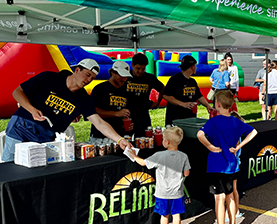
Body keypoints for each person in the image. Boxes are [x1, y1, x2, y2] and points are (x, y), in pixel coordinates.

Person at [2, 59, 132, 162]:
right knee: (11, 168)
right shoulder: (48, 78)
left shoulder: (84, 99)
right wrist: (32, 110)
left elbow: (99, 122)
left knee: (36, 172)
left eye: (92, 78)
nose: (88, 80)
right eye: (87, 75)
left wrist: (119, 140)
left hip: (46, 138)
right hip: (21, 129)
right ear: (76, 70)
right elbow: (17, 92)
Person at [197, 90, 257, 224]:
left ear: (217, 104)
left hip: (216, 165)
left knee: (219, 199)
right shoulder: (236, 121)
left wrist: (210, 147)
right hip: (230, 165)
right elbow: (254, 132)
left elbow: (199, 135)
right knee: (229, 197)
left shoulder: (213, 121)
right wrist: (238, 146)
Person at [126, 127, 190, 224]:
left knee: (164, 215)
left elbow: (144, 163)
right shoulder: (183, 156)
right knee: (177, 215)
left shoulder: (159, 155)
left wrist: (134, 156)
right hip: (177, 192)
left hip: (162, 193)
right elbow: (186, 173)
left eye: (163, 139)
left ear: (167, 142)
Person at [163, 55, 213, 127]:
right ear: (192, 67)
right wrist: (183, 104)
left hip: (190, 118)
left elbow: (199, 96)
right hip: (176, 118)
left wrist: (208, 106)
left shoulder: (193, 81)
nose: (196, 68)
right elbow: (166, 95)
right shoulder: (175, 79)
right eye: (195, 66)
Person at [90, 61, 133, 142]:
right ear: (113, 73)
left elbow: (126, 113)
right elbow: (92, 112)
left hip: (120, 137)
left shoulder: (126, 91)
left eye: (126, 76)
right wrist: (116, 114)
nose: (124, 79)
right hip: (100, 136)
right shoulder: (100, 89)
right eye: (122, 75)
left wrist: (128, 125)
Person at [126, 53, 165, 137]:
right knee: (125, 141)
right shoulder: (125, 77)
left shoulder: (149, 77)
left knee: (144, 141)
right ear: (132, 65)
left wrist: (157, 102)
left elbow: (162, 88)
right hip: (127, 116)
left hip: (143, 115)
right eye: (138, 68)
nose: (140, 71)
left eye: (143, 69)